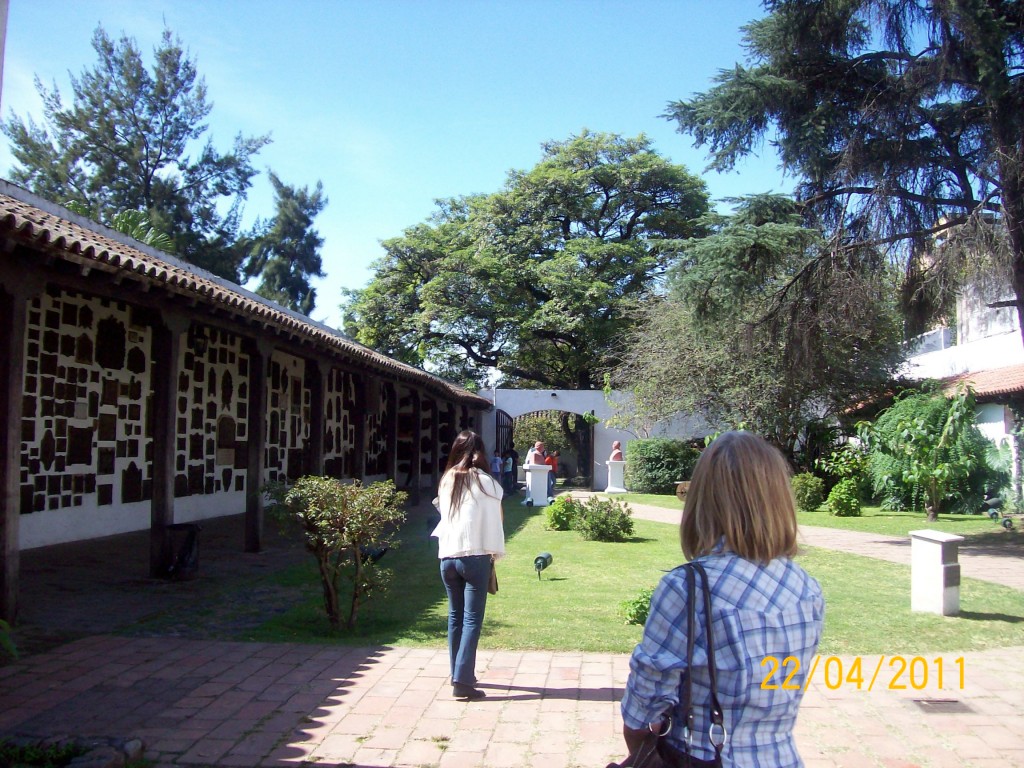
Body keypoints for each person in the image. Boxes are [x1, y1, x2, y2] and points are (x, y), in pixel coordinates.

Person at [611, 431, 824, 768]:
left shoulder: (689, 587)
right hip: (781, 756)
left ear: (703, 499)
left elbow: (645, 703)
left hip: (704, 756)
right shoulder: (806, 588)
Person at [431, 430, 506, 701]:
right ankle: (462, 681)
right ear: (479, 452)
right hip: (475, 557)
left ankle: (458, 672)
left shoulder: (447, 479)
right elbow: (497, 513)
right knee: (472, 619)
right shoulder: (487, 482)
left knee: (455, 617)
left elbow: (445, 511)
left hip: (448, 557)